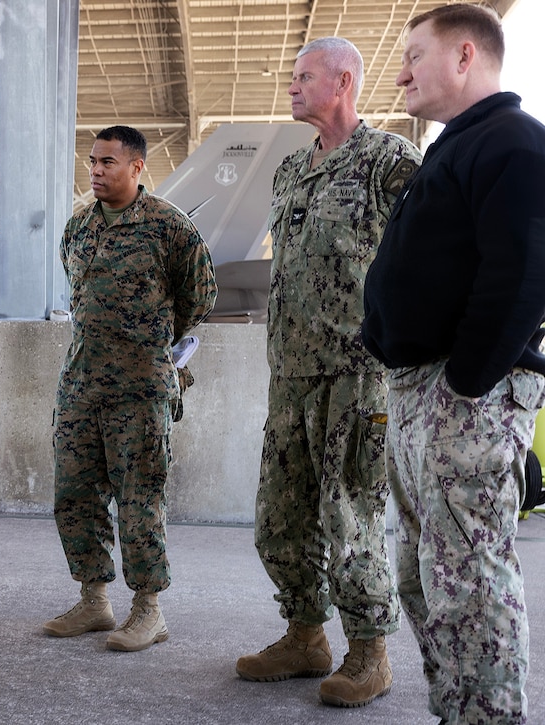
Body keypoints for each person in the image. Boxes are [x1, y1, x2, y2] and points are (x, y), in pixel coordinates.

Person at [362, 5, 545, 722]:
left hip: (463, 391)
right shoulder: (456, 146)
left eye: (415, 54)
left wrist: (466, 383)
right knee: (423, 573)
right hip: (419, 390)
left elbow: (523, 275)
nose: (402, 71)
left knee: (468, 578)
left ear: (464, 56)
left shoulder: (514, 144)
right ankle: (458, 709)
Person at [234, 37, 422, 708]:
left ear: (342, 81)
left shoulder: (388, 161)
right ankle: (304, 634)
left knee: (352, 513)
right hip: (290, 369)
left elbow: (439, 242)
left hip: (357, 371)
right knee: (278, 515)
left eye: (303, 76)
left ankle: (369, 652)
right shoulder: (290, 170)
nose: (290, 86)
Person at [43, 125, 217, 652]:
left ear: (137, 167)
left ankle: (148, 610)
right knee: (74, 491)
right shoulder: (79, 226)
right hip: (81, 380)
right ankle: (94, 601)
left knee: (139, 497)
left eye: (108, 163)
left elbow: (201, 296)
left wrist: (152, 342)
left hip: (140, 387)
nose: (96, 171)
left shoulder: (169, 226)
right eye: (92, 162)